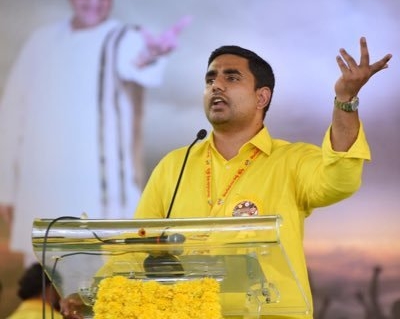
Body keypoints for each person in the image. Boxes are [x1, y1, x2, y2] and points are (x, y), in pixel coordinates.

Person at [59, 38, 391, 319]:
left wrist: (345, 101)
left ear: (262, 97)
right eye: (210, 79)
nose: (216, 85)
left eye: (231, 78)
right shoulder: (175, 165)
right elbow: (135, 247)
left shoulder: (291, 161)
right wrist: (94, 295)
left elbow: (341, 179)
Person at [0, 0, 188, 264]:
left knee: (103, 283)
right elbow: (11, 116)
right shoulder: (40, 42)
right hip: (43, 190)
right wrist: (6, 188)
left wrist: (151, 54)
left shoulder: (122, 37)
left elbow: (139, 64)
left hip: (100, 198)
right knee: (44, 285)